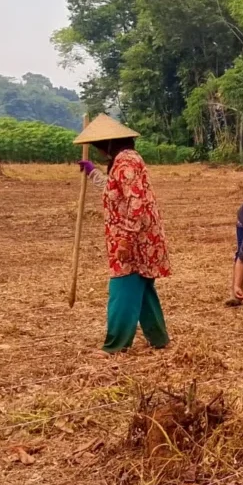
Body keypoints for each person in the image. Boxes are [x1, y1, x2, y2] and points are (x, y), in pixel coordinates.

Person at [76, 115, 171, 355]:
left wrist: (125, 239)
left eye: (99, 146)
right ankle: (159, 339)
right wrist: (92, 173)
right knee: (141, 288)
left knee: (122, 287)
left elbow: (135, 201)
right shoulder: (123, 161)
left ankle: (115, 345)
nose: (97, 151)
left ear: (109, 142)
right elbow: (114, 190)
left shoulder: (126, 162)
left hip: (135, 239)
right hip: (138, 237)